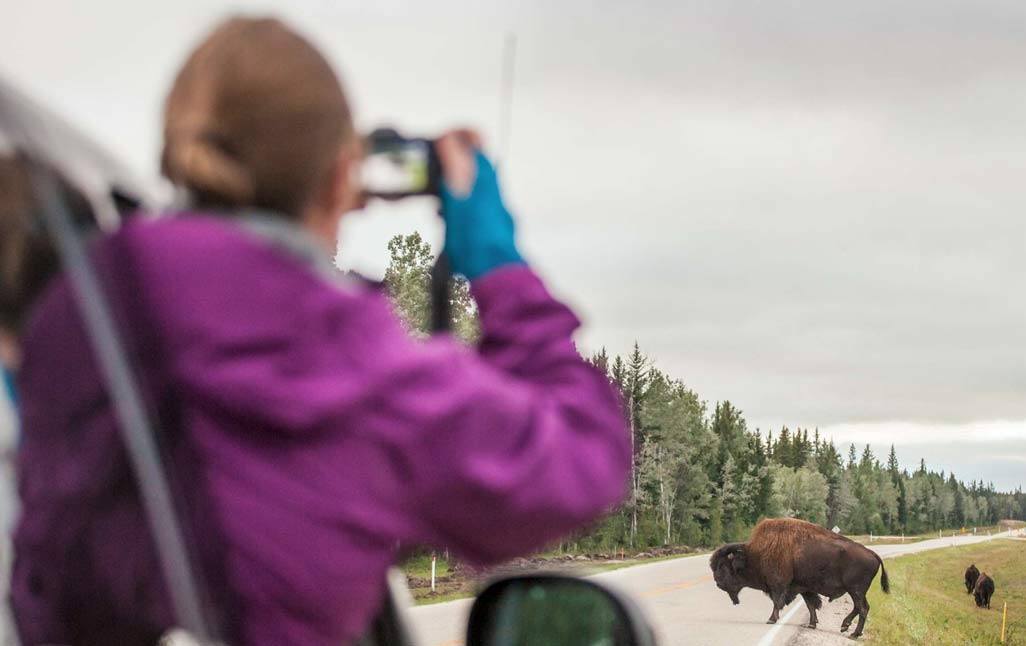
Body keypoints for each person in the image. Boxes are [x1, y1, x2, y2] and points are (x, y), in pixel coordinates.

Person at [7, 16, 631, 646]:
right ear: (343, 177)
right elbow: (586, 455)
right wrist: (497, 264)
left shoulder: (68, 338)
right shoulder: (351, 369)